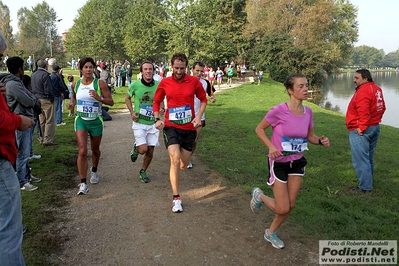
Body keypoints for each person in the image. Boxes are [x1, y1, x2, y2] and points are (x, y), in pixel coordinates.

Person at [250, 73, 330, 249]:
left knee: (290, 205)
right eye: (300, 86)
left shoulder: (308, 112)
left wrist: (319, 141)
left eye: (306, 85)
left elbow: (310, 136)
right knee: (282, 208)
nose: (305, 89)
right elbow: (259, 129)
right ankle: (260, 195)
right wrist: (271, 146)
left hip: (297, 162)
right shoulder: (279, 110)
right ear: (290, 90)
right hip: (279, 162)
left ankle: (270, 233)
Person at [153, 52, 207, 213]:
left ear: (186, 67)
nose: (178, 71)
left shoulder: (194, 82)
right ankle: (176, 198)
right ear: (171, 66)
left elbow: (203, 99)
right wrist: (157, 118)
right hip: (171, 126)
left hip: (189, 128)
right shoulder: (165, 82)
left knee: (183, 164)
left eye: (182, 68)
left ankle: (183, 166)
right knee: (175, 160)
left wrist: (198, 117)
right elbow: (156, 101)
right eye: (176, 68)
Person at [0, 32, 34, 266]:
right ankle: (24, 179)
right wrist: (17, 121)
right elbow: (28, 100)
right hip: (3, 152)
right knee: (10, 232)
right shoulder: (12, 83)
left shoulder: (5, 85)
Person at [66, 57, 114, 195]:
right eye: (86, 67)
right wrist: (72, 104)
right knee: (82, 151)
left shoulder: (100, 84)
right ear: (81, 69)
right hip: (81, 120)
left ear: (94, 69)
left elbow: (111, 102)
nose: (88, 70)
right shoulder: (76, 84)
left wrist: (100, 98)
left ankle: (94, 170)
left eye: (90, 67)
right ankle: (82, 183)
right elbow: (74, 97)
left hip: (95, 121)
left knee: (95, 149)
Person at [1, 57, 41, 191]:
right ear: (20, 69)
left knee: (26, 150)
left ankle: (26, 175)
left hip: (25, 117)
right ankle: (22, 181)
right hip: (21, 119)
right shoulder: (13, 84)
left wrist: (32, 97)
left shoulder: (16, 82)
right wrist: (33, 99)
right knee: (22, 153)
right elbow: (28, 100)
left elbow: (29, 95)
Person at [346, 69, 386, 192]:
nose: (354, 80)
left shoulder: (363, 91)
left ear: (365, 78)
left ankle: (365, 187)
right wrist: (375, 121)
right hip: (374, 127)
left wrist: (362, 127)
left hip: (362, 130)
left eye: (357, 78)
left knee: (360, 159)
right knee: (368, 157)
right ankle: (367, 180)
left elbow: (363, 111)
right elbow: (382, 107)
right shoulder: (377, 89)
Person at [125, 61, 163, 183]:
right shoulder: (135, 85)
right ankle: (136, 149)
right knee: (143, 149)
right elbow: (127, 98)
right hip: (139, 122)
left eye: (150, 69)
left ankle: (143, 170)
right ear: (142, 72)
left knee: (150, 150)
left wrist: (162, 108)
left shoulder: (158, 85)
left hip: (153, 122)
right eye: (145, 69)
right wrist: (132, 112)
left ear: (153, 71)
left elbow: (160, 99)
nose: (148, 71)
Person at [187, 61, 216, 169]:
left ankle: (188, 158)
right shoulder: (185, 81)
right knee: (184, 138)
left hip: (199, 115)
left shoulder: (205, 83)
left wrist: (212, 98)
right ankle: (181, 155)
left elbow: (211, 94)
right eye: (197, 70)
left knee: (194, 141)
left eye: (201, 71)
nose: (199, 73)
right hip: (186, 114)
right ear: (192, 70)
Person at [31, 59, 56, 146]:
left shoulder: (33, 74)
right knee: (49, 120)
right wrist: (51, 98)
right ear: (46, 66)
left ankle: (42, 137)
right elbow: (48, 89)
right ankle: (47, 139)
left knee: (42, 120)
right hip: (46, 99)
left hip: (37, 99)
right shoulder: (45, 75)